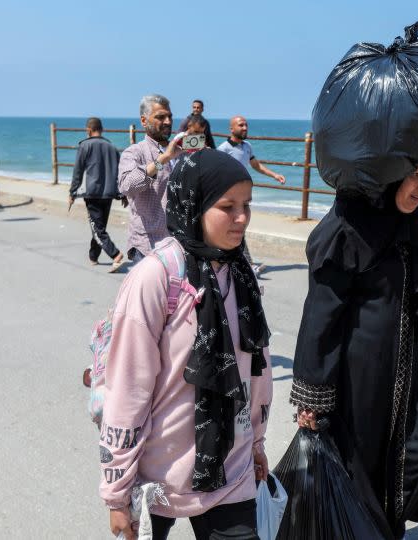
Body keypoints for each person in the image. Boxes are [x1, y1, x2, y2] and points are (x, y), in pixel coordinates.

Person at [292, 159, 418, 539]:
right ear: (390, 175)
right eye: (416, 176)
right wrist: (312, 391)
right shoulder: (346, 227)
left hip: (410, 367)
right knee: (364, 467)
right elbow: (320, 314)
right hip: (358, 375)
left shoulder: (410, 224)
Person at [101, 150, 273, 540]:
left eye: (247, 205)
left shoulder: (241, 276)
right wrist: (116, 495)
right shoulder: (155, 278)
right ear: (193, 205)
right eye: (227, 206)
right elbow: (127, 389)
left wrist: (257, 441)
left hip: (232, 466)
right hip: (157, 472)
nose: (242, 218)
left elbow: (256, 371)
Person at [118, 94, 184, 264]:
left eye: (170, 116)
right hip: (147, 246)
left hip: (179, 244)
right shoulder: (135, 152)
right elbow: (126, 186)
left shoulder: (179, 151)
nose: (168, 122)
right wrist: (163, 159)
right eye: (161, 117)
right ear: (144, 121)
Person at [217, 116, 286, 277]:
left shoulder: (247, 146)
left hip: (242, 196)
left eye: (246, 125)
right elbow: (217, 172)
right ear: (232, 129)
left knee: (238, 228)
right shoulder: (223, 149)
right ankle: (246, 263)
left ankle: (241, 262)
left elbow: (256, 165)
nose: (245, 128)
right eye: (241, 125)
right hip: (229, 196)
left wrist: (274, 175)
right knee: (237, 227)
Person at [69, 117, 125, 272]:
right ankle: (93, 256)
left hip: (92, 193)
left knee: (97, 228)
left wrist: (72, 192)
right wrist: (122, 194)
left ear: (88, 130)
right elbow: (120, 173)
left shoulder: (84, 145)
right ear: (102, 129)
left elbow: (78, 171)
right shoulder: (112, 147)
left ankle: (116, 254)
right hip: (108, 193)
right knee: (99, 226)